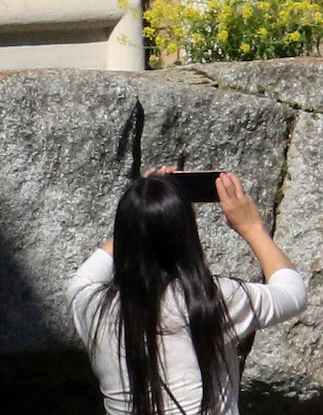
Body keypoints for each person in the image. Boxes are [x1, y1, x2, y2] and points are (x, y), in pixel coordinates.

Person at [66, 170, 307, 415]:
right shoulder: (209, 299)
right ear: (186, 235)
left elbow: (89, 273)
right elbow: (293, 293)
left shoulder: (88, 303)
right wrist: (252, 227)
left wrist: (144, 209)